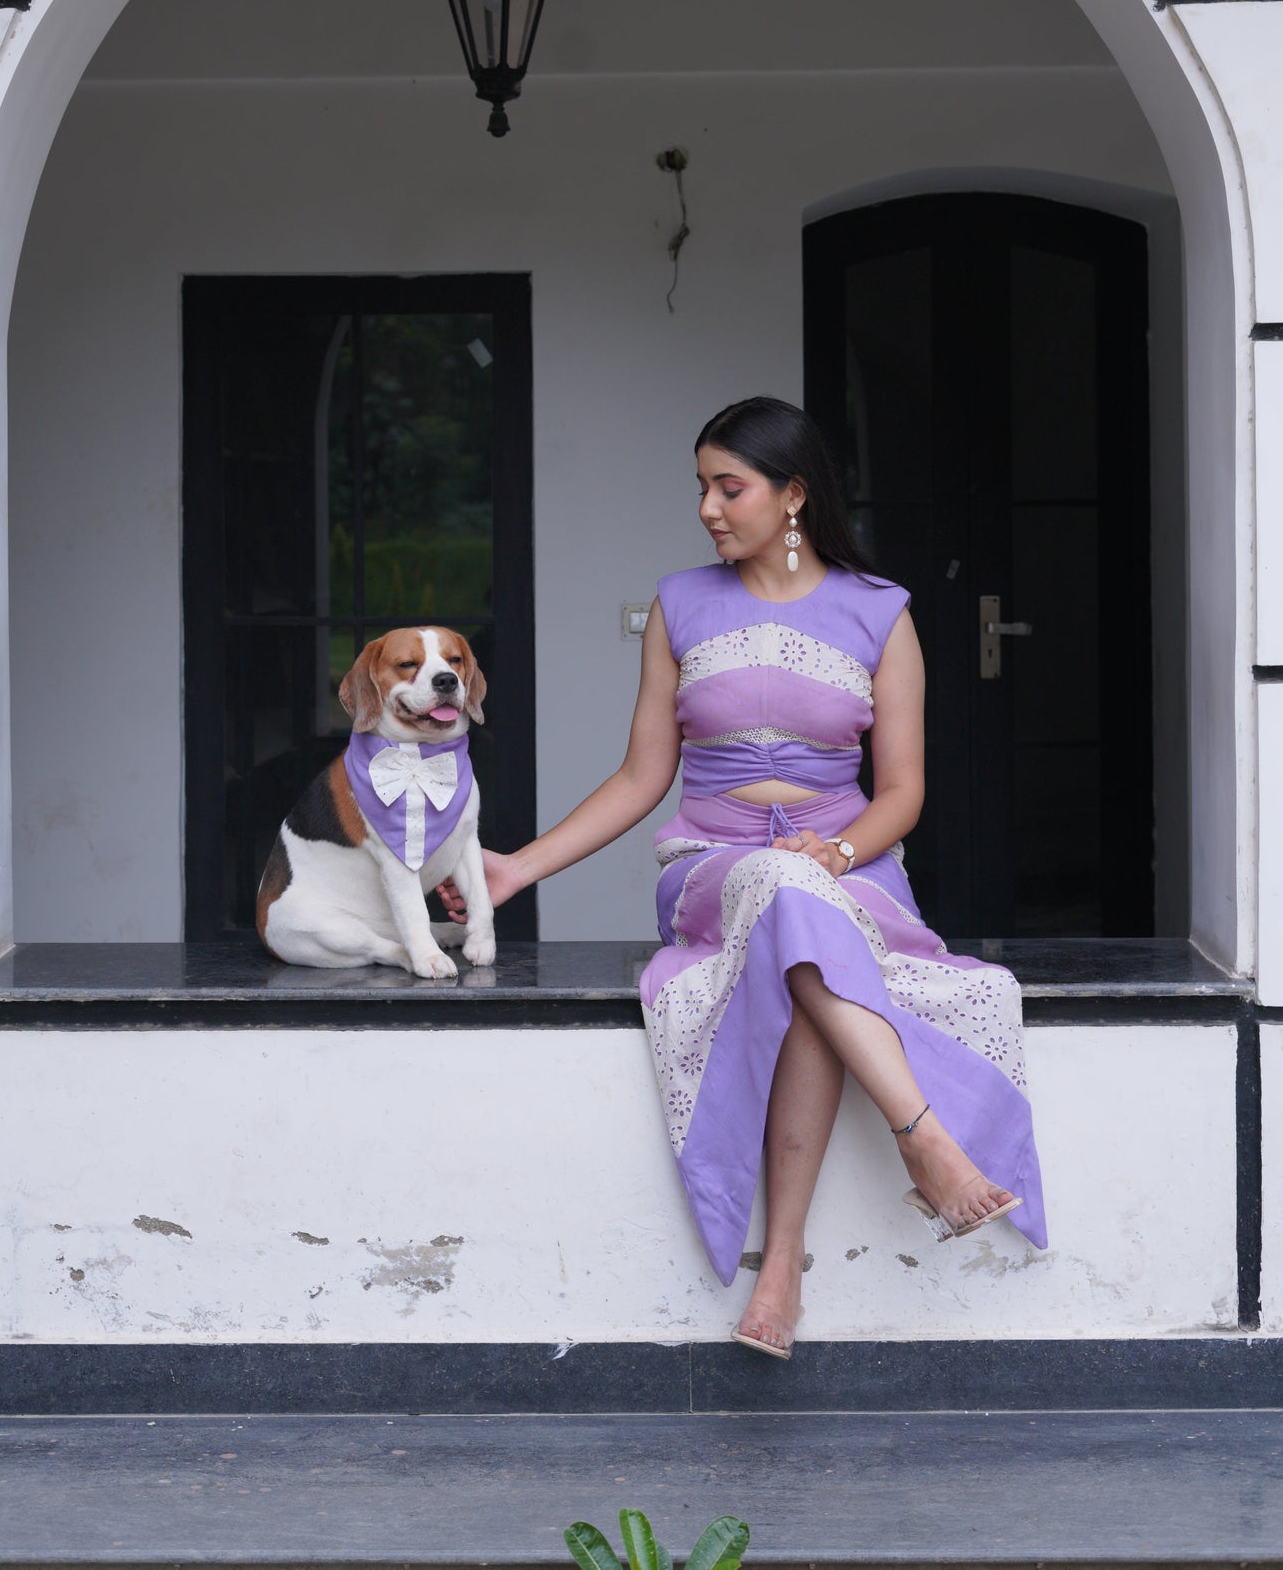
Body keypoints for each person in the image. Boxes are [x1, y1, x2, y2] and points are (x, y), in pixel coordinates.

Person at [439, 394, 1046, 1358]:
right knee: (774, 890)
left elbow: (901, 791)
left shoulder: (879, 612)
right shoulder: (680, 605)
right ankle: (922, 1136)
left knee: (796, 937)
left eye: (730, 487)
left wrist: (837, 854)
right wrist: (518, 869)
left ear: (792, 496)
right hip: (712, 869)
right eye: (702, 489)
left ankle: (780, 1268)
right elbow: (644, 778)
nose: (708, 508)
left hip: (851, 874)